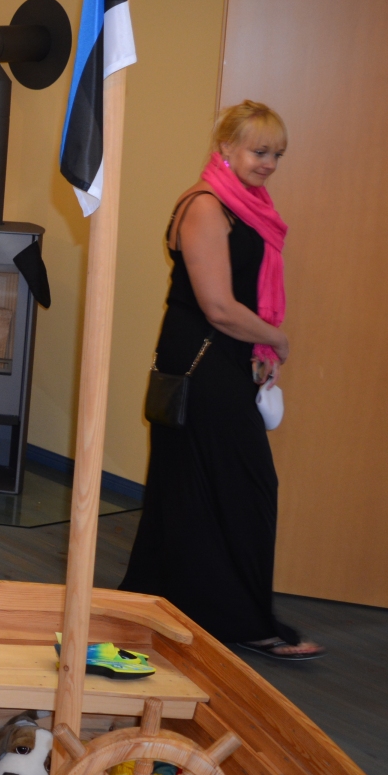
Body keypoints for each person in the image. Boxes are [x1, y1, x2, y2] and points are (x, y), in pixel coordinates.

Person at [118, 101, 323, 660]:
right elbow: (219, 306)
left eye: (277, 154)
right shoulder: (207, 206)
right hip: (201, 362)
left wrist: (257, 350)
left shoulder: (244, 206)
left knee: (191, 490)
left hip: (215, 359)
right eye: (260, 151)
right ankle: (243, 622)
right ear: (226, 147)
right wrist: (277, 339)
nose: (269, 163)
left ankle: (170, 608)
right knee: (247, 488)